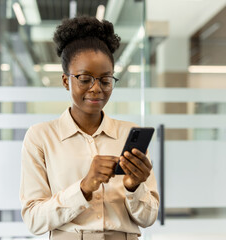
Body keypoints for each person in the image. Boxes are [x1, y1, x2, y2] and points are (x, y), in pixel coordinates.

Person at [19, 16, 159, 240]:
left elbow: (148, 218)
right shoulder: (41, 137)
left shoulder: (128, 134)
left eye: (105, 80)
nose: (96, 89)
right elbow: (34, 220)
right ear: (66, 81)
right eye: (85, 79)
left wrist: (134, 187)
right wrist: (83, 187)